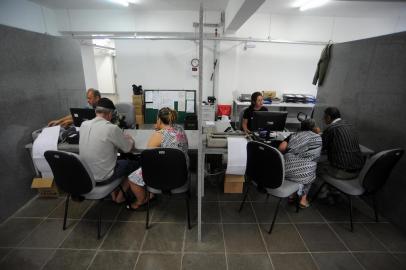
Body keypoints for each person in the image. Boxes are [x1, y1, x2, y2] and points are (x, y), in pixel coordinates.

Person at [126, 107, 189, 210]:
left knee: (132, 179)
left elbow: (150, 157)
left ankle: (142, 201)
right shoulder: (180, 129)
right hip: (182, 172)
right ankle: (150, 195)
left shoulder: (159, 135)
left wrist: (158, 132)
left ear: (159, 120)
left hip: (164, 174)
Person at [79, 97, 139, 203]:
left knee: (112, 161)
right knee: (134, 164)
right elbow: (128, 148)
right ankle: (120, 197)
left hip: (86, 176)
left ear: (96, 111)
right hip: (103, 177)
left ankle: (113, 193)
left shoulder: (84, 125)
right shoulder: (111, 128)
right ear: (110, 114)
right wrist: (130, 138)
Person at [279, 119, 322, 208]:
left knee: (298, 167)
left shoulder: (293, 135)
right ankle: (303, 199)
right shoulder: (318, 138)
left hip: (287, 171)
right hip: (305, 175)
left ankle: (291, 195)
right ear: (314, 128)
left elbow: (281, 148)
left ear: (301, 127)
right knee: (310, 170)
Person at [320, 107, 364, 179]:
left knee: (315, 167)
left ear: (328, 117)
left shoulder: (331, 128)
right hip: (358, 170)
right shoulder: (349, 125)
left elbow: (320, 147)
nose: (323, 119)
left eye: (324, 117)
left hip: (343, 172)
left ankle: (323, 188)